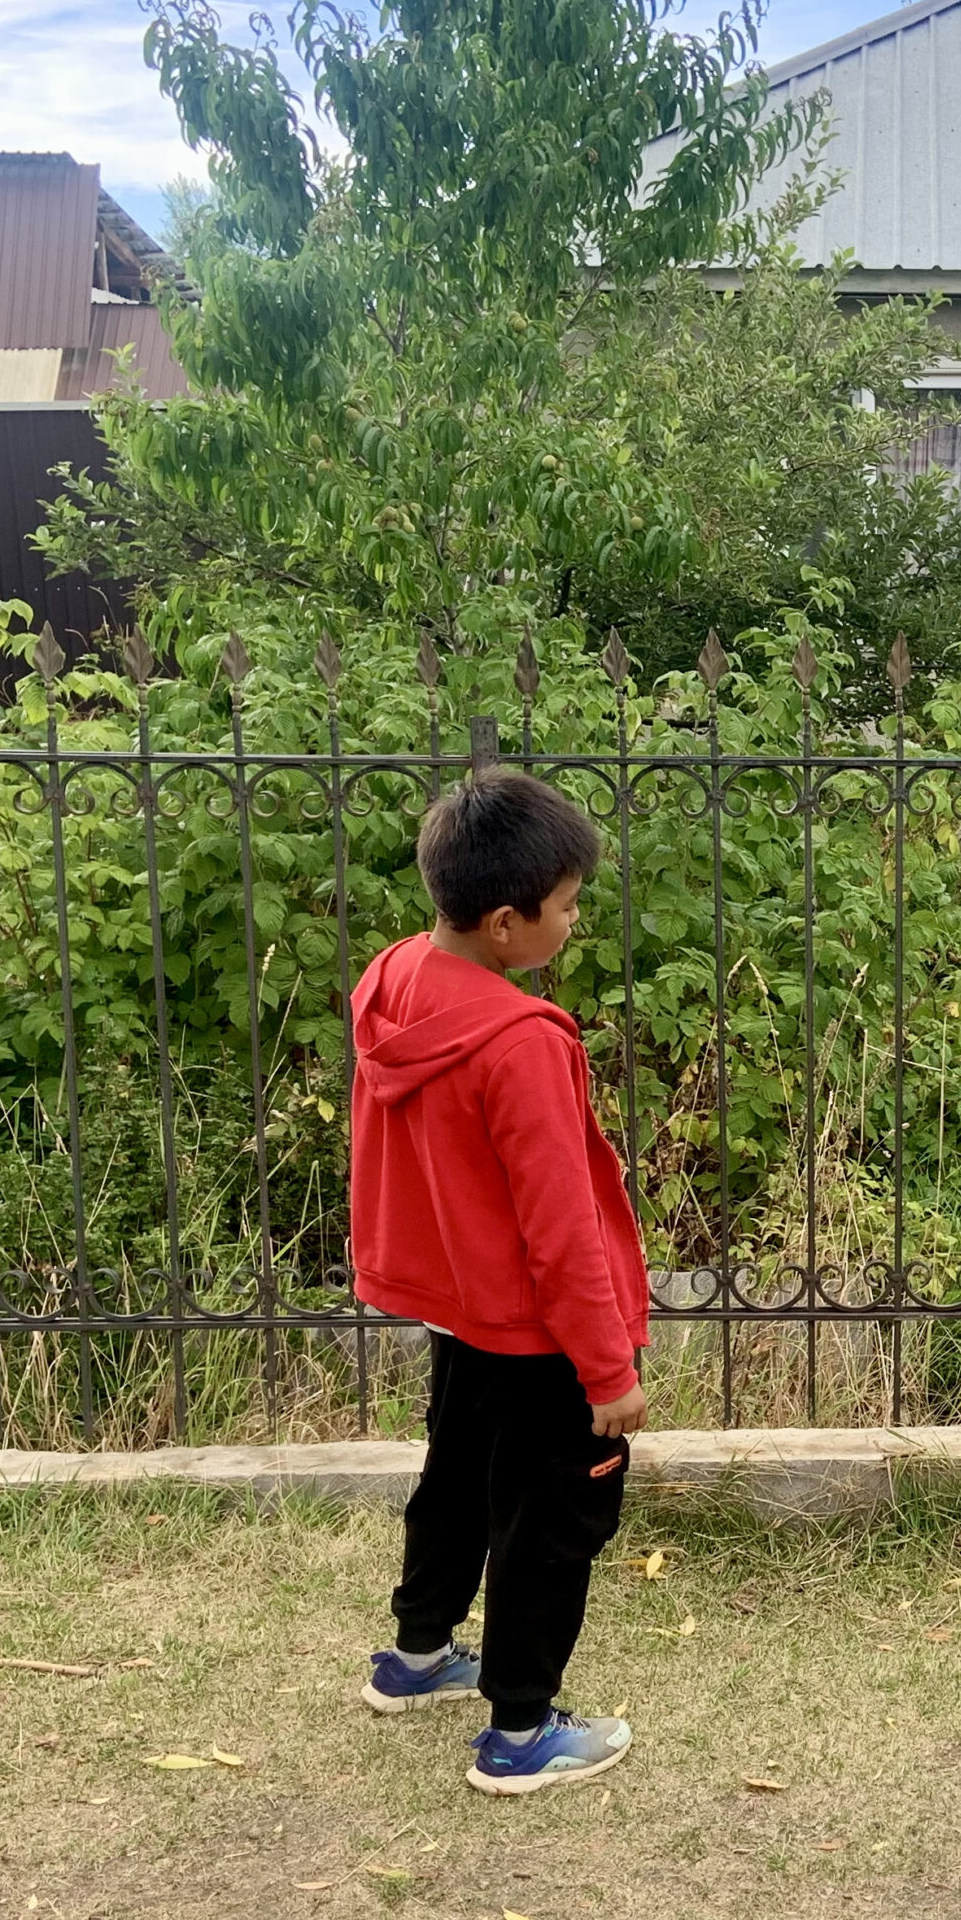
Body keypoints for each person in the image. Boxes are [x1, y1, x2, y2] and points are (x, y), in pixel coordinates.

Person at [351, 769, 648, 1794]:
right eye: (567, 908)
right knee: (555, 1517)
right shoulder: (520, 1043)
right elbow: (561, 1229)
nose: (575, 922)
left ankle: (417, 1655)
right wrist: (608, 1370)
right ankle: (520, 1730)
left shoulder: (393, 979)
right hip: (534, 1328)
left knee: (459, 1473)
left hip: (456, 1302)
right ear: (508, 922)